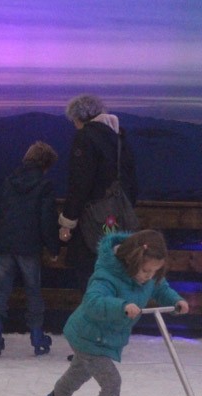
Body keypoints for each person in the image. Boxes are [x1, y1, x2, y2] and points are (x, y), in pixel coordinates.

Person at [25, 230, 189, 396]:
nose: (149, 277)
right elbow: (93, 302)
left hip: (102, 338)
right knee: (111, 382)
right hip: (89, 336)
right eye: (145, 271)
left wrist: (175, 301)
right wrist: (121, 306)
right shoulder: (107, 274)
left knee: (79, 372)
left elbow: (159, 287)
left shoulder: (149, 275)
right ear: (132, 260)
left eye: (154, 271)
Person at [56, 94, 138, 292]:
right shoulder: (119, 138)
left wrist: (67, 222)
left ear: (78, 117)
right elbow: (132, 180)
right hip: (118, 217)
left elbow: (79, 183)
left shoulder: (85, 137)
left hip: (92, 221)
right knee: (114, 276)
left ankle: (95, 317)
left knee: (89, 277)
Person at [0, 141, 62, 356]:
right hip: (29, 245)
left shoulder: (8, 181)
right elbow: (47, 219)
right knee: (33, 290)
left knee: (1, 290)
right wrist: (53, 247)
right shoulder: (44, 185)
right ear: (45, 164)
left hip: (4, 243)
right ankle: (37, 336)